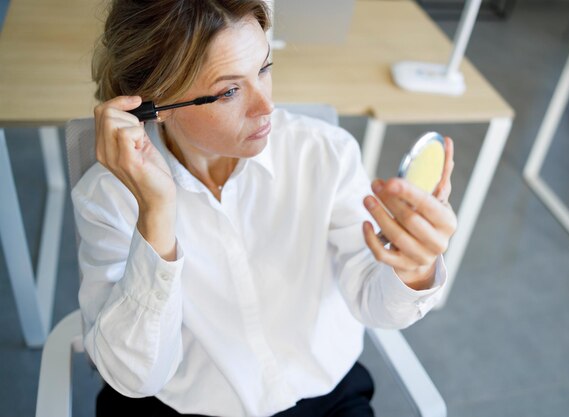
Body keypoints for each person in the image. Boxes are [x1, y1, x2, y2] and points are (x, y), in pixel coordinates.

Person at [73, 0, 457, 416]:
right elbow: (134, 377)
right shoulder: (109, 198)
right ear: (156, 104)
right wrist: (156, 214)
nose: (265, 107)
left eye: (265, 69)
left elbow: (374, 301)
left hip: (325, 401)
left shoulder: (325, 154)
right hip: (176, 408)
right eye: (230, 91)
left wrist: (413, 269)